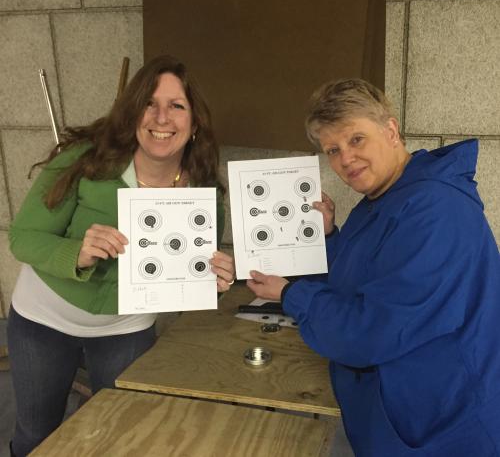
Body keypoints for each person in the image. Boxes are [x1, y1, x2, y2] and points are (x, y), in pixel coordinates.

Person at [247, 79, 500, 456]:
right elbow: (364, 278)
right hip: (398, 417)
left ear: (391, 131)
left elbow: (372, 331)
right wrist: (329, 237)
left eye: (356, 139)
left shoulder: (436, 210)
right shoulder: (384, 198)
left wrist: (290, 294)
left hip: (441, 431)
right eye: (332, 149)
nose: (345, 158)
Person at [7, 54, 235, 456]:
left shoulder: (202, 193)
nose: (162, 117)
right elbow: (23, 237)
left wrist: (213, 282)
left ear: (194, 123)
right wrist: (74, 251)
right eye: (150, 103)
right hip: (44, 320)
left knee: (119, 433)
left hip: (125, 328)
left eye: (176, 106)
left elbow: (189, 280)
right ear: (133, 113)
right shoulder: (85, 161)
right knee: (36, 434)